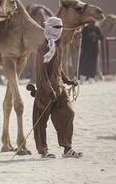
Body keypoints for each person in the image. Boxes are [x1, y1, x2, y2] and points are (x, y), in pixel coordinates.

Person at [28, 17, 83, 159]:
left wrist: (68, 81)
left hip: (59, 89)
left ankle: (67, 148)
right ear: (49, 28)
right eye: (57, 27)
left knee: (68, 113)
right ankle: (44, 151)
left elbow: (58, 67)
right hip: (45, 92)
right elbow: (42, 73)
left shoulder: (59, 45)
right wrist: (48, 90)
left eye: (61, 27)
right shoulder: (43, 48)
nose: (60, 30)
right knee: (40, 123)